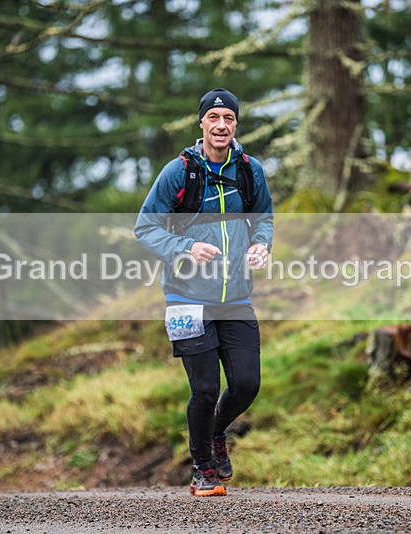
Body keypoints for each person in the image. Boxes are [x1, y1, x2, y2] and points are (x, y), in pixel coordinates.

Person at [134, 88, 273, 497]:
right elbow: (145, 228)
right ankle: (202, 469)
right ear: (201, 124)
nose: (221, 126)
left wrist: (261, 243)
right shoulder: (179, 172)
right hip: (185, 297)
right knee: (206, 388)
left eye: (228, 118)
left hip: (235, 299)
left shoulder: (249, 170)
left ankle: (215, 434)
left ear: (235, 124)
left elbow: (263, 217)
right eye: (214, 118)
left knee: (247, 384)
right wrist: (184, 248)